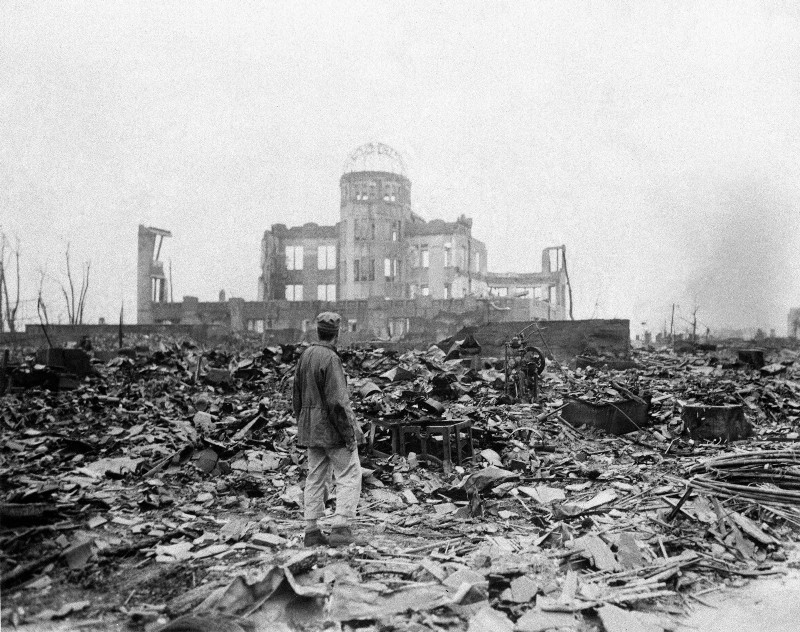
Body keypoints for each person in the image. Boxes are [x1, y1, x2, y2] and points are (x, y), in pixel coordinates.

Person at [293, 312, 363, 547]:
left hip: (311, 429)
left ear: (318, 331)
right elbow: (337, 402)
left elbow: (296, 397)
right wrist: (349, 434)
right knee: (350, 473)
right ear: (337, 333)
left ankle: (311, 530)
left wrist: (304, 423)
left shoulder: (306, 356)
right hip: (332, 429)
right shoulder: (330, 359)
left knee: (315, 476)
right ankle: (341, 527)